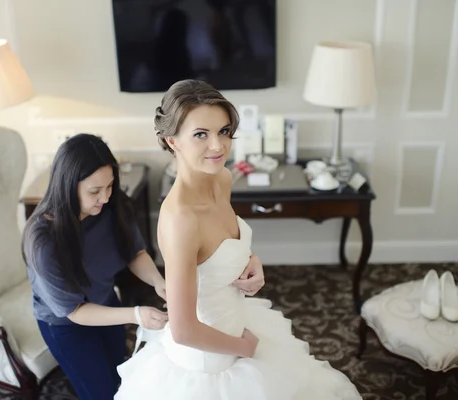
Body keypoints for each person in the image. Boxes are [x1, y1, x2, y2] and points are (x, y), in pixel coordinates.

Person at [114, 80, 362, 399]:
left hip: (236, 324)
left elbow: (224, 244)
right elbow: (183, 329)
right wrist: (242, 347)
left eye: (224, 131)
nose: (218, 146)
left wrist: (250, 261)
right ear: (172, 140)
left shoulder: (223, 179)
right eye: (201, 134)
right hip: (208, 363)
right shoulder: (180, 220)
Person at [21, 134, 169, 399]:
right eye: (94, 191)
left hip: (105, 300)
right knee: (99, 393)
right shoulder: (43, 241)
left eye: (110, 185)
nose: (105, 196)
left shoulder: (112, 205)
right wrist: (136, 315)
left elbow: (133, 252)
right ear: (68, 186)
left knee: (121, 376)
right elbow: (75, 311)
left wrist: (159, 282)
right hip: (66, 324)